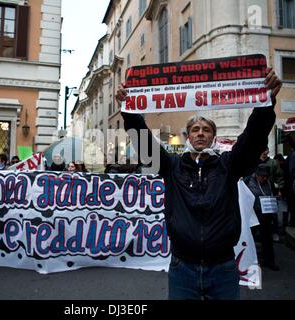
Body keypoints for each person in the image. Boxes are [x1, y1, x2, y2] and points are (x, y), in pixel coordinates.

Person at [115, 67, 282, 300]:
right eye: (195, 130)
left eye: (206, 130)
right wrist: (130, 112)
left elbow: (252, 140)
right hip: (182, 268)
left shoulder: (229, 165)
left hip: (223, 268)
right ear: (188, 136)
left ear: (213, 137)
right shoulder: (172, 166)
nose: (200, 133)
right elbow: (145, 145)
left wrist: (266, 103)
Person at [245, 164, 280, 271]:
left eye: (266, 176)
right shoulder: (248, 180)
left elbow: (274, 194)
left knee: (267, 238)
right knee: (248, 238)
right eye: (262, 176)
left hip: (266, 214)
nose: (264, 178)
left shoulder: (269, 182)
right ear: (257, 174)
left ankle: (269, 261)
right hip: (251, 213)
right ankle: (246, 262)